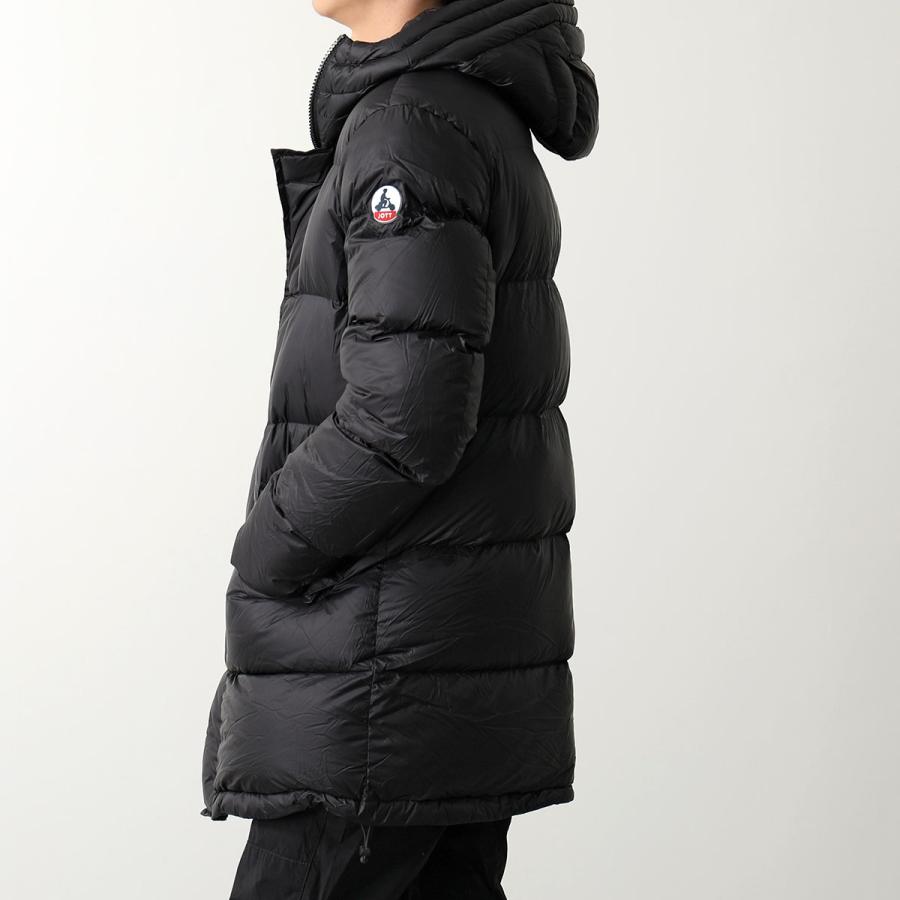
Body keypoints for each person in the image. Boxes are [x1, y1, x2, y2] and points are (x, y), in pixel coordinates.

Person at [201, 0, 598, 896]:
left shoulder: (409, 128)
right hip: (422, 670)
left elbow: (405, 414)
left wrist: (266, 548)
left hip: (375, 682)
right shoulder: (452, 109)